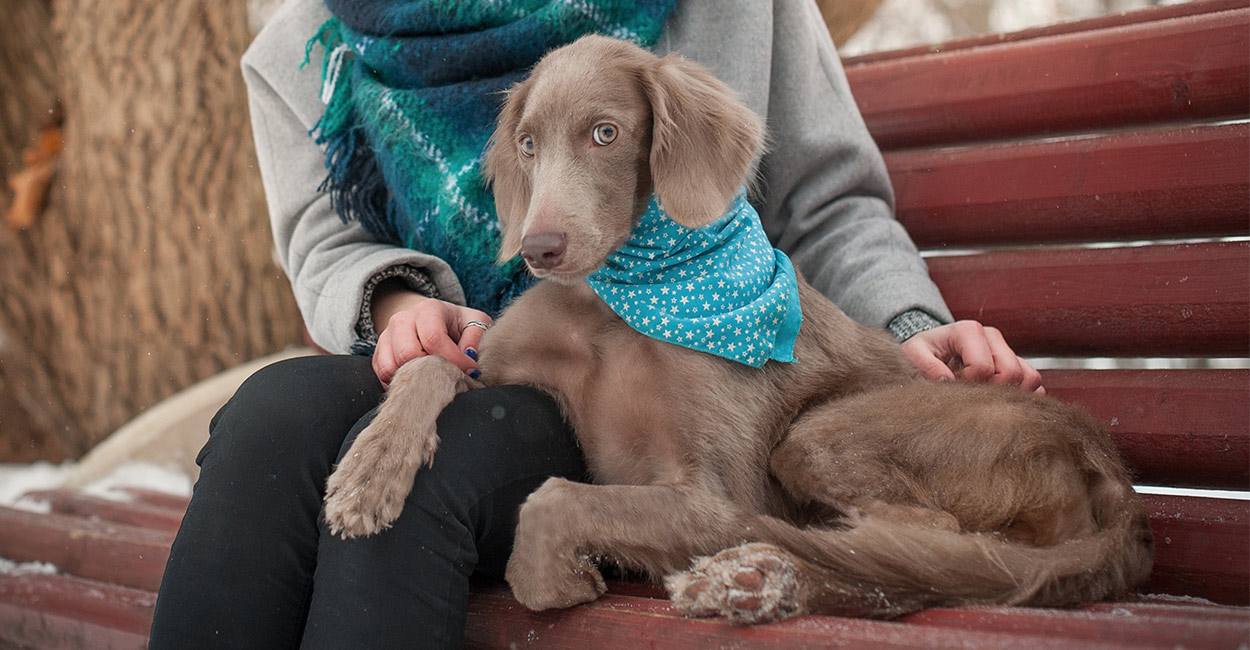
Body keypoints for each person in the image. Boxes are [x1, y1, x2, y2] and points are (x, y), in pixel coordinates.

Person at [149, 0, 1042, 647]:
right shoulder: (312, 39)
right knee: (270, 418)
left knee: (433, 476)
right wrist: (396, 300)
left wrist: (909, 320)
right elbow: (325, 235)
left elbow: (825, 199)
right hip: (476, 340)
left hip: (658, 377)